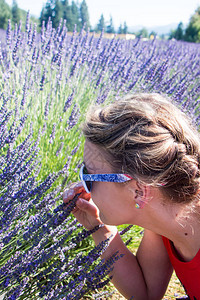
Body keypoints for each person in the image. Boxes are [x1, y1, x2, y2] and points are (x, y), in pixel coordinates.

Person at [63, 93, 200, 300]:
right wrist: (97, 227)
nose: (83, 187)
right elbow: (146, 293)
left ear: (139, 191)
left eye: (89, 176)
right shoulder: (166, 217)